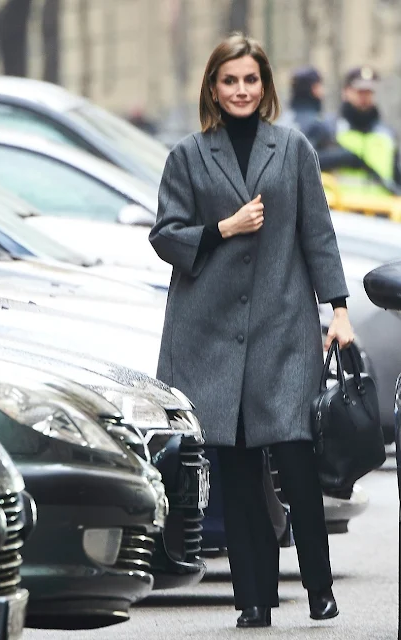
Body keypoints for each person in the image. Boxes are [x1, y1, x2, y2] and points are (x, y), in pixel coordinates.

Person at [149, 32, 354, 629]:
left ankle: (318, 585)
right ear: (212, 87)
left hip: (282, 325)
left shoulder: (292, 149)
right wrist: (224, 227)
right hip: (211, 334)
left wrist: (338, 310)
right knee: (236, 475)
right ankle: (254, 600)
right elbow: (166, 235)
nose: (241, 90)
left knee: (294, 459)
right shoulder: (188, 155)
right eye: (229, 80)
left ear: (264, 86)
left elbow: (318, 234)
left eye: (251, 80)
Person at [318, 66, 401, 196]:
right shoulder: (329, 129)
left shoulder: (387, 135)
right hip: (340, 212)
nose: (364, 97)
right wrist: (343, 158)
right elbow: (308, 164)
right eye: (359, 91)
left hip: (382, 212)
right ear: (345, 92)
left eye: (369, 92)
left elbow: (396, 178)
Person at [278, 65, 333, 150]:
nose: (323, 91)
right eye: (320, 86)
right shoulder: (318, 123)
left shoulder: (283, 120)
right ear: (314, 89)